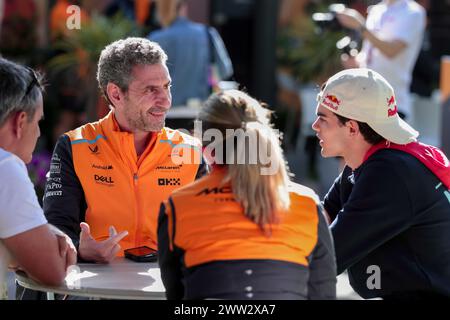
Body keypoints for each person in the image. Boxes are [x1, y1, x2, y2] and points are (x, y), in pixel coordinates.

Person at [158, 90, 336, 300]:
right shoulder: (307, 204)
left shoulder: (177, 206)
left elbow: (177, 295)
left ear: (205, 146)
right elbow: (323, 294)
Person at [43, 37, 204, 264]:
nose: (165, 101)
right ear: (116, 94)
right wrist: (80, 250)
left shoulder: (190, 151)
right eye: (151, 89)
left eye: (167, 86)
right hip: (96, 289)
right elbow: (56, 228)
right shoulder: (74, 146)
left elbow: (211, 228)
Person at [312, 68, 450, 299]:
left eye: (323, 119)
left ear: (352, 128)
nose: (315, 125)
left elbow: (327, 255)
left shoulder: (390, 172)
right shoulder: (371, 161)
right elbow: (321, 216)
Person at [0, 58, 77, 293]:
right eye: (38, 121)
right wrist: (50, 236)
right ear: (20, 122)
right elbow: (52, 272)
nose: (39, 132)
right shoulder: (5, 168)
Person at [336, 0, 426, 121]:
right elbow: (369, 54)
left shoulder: (413, 12)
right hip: (363, 102)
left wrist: (360, 26)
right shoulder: (377, 10)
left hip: (391, 104)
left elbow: (391, 50)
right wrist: (355, 62)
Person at [148, 0, 233, 107]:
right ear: (183, 8)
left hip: (166, 111)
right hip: (200, 109)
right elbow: (224, 71)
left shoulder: (156, 39)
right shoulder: (208, 33)